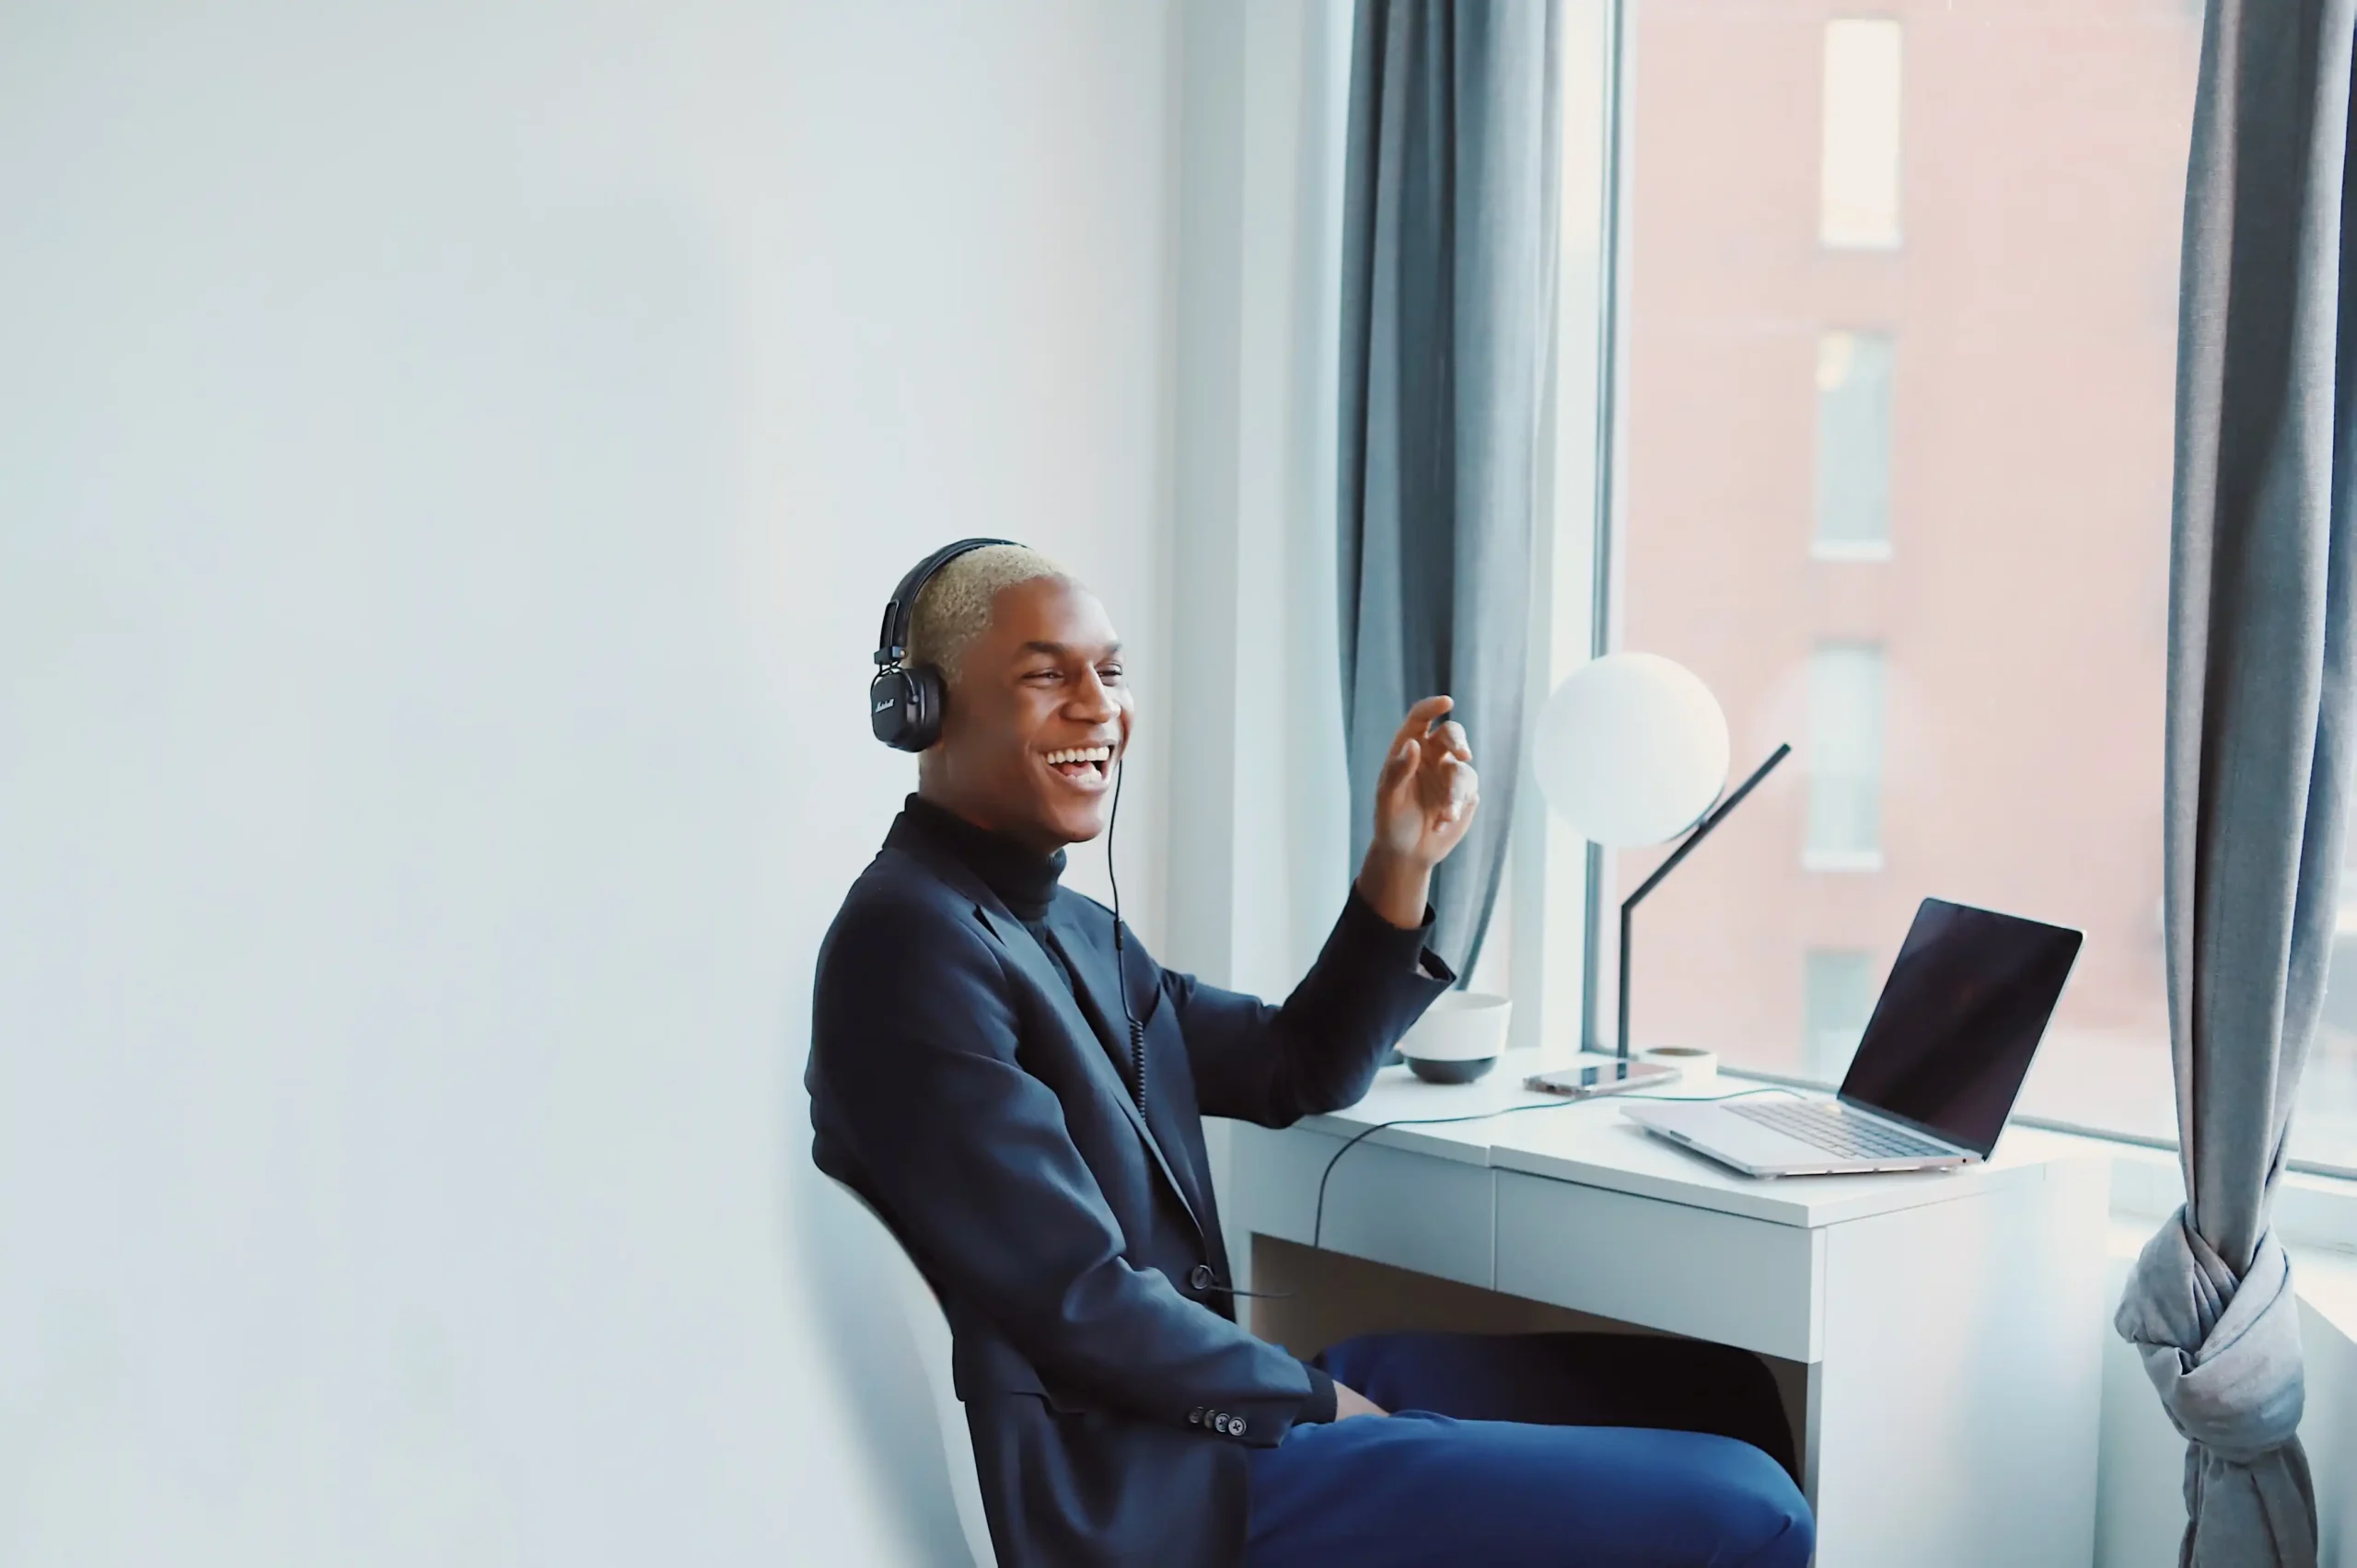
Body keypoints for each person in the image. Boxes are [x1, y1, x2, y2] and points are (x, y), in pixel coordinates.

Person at [807, 540, 1814, 1568]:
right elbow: (1081, 1300)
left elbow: (1296, 1063)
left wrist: (1400, 861)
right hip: (1147, 1483)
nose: (1097, 706)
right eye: (1043, 673)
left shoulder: (1063, 925)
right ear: (922, 710)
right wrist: (1318, 1398)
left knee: (1722, 1387)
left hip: (1185, 1407)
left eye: (1108, 670)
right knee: (1752, 1507)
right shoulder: (912, 946)